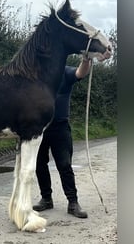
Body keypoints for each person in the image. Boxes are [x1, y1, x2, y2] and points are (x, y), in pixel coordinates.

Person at [33, 55, 92, 218]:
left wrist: (86, 60)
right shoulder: (37, 76)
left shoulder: (65, 73)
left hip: (60, 127)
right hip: (39, 128)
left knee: (65, 165)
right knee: (39, 164)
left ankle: (73, 202)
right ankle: (46, 199)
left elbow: (80, 73)